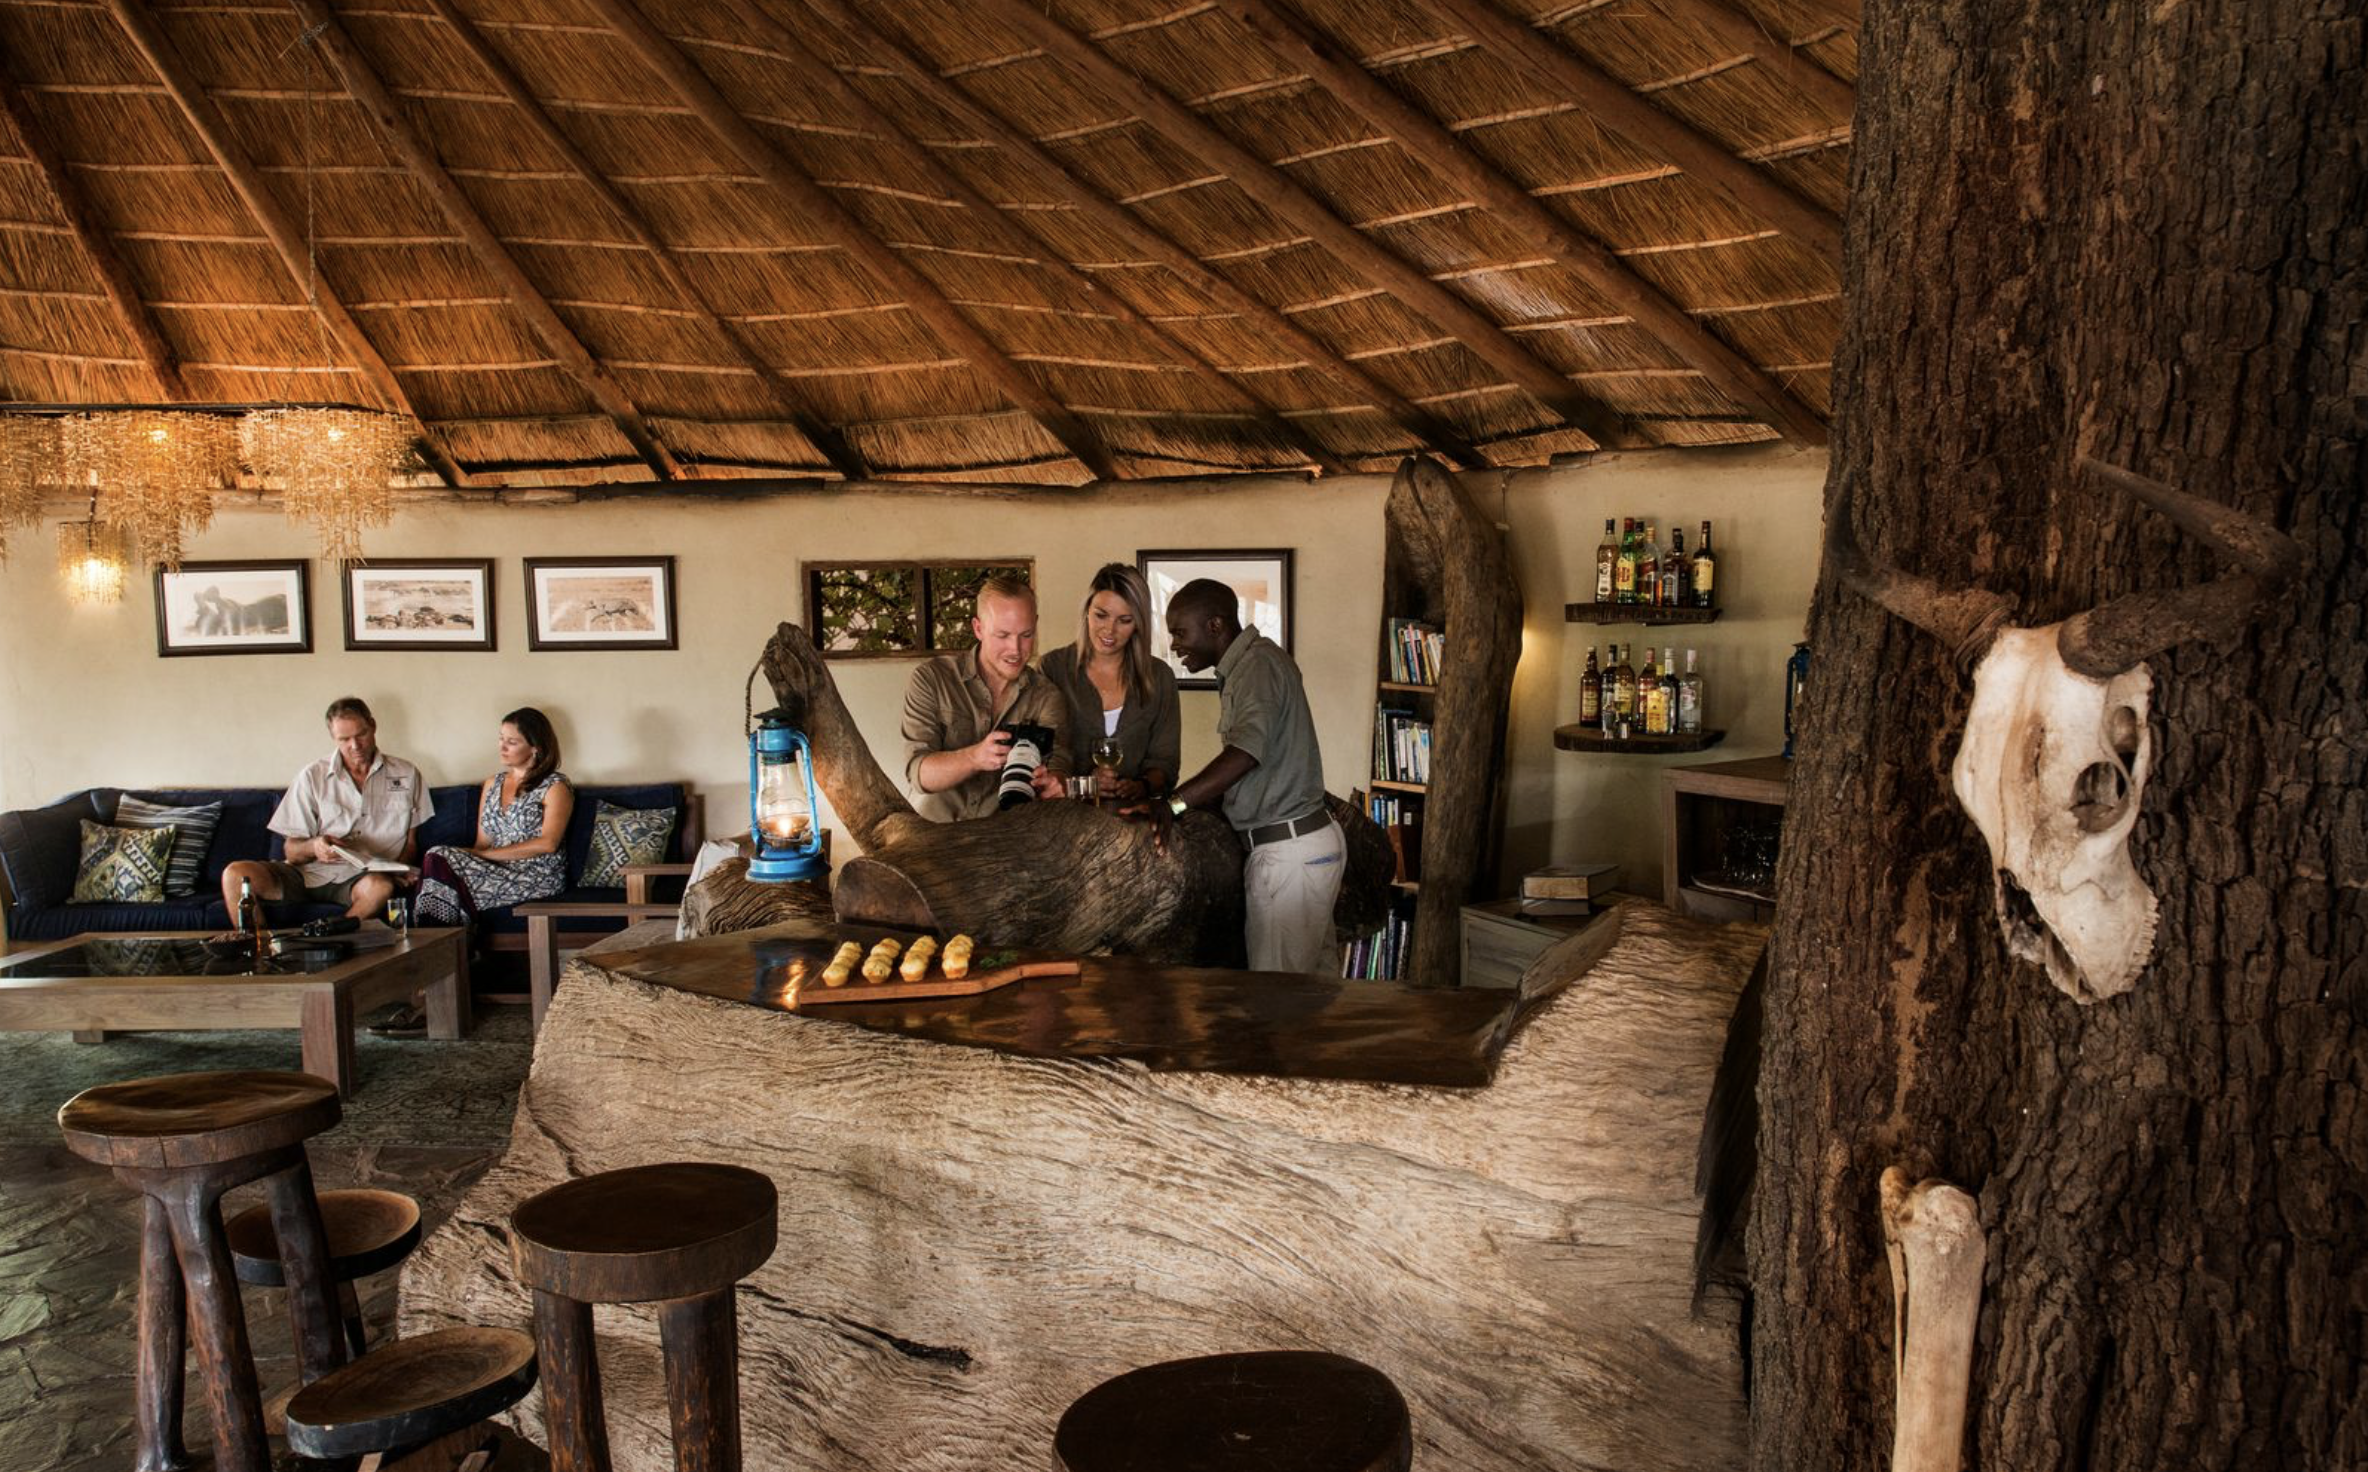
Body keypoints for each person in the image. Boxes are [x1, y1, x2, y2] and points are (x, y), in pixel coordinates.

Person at [1138, 578, 1344, 975]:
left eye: (1180, 632)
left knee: (1275, 1001)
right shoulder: (1252, 664)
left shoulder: (1256, 667)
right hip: (1300, 846)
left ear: (1215, 626)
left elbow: (1245, 754)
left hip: (1289, 854)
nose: (1175, 644)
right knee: (1315, 999)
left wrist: (1173, 804)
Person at [222, 696, 433, 926]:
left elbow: (411, 843)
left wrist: (396, 869)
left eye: (360, 734)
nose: (355, 746)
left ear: (372, 726)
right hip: (307, 874)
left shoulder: (407, 774)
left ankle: (330, 940)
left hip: (363, 878)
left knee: (381, 888)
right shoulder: (312, 776)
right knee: (234, 874)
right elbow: (291, 850)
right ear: (333, 738)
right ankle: (256, 954)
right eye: (344, 739)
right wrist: (315, 846)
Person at [901, 574, 1074, 821]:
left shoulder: (1047, 697)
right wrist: (974, 757)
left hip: (1003, 843)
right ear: (978, 628)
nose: (1015, 650)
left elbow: (1059, 767)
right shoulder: (932, 679)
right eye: (1003, 635)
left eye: (1026, 635)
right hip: (931, 837)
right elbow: (919, 775)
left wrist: (1055, 782)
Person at [412, 708, 574, 933]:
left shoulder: (555, 786)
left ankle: (443, 950)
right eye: (501, 739)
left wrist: (482, 856)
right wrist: (469, 858)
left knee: (438, 863)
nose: (502, 747)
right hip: (493, 869)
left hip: (535, 877)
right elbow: (482, 843)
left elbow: (548, 843)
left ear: (535, 747)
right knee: (436, 858)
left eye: (512, 742)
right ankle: (450, 946)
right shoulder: (492, 784)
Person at [1037, 563, 1181, 804]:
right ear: (1086, 611)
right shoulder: (1052, 668)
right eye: (1101, 615)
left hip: (1133, 823)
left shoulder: (1159, 677)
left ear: (1139, 624)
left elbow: (1165, 763)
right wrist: (1083, 784)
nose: (1109, 630)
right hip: (1062, 821)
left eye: (1124, 620)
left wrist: (1141, 786)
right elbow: (1038, 755)